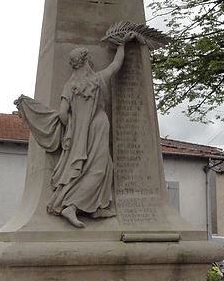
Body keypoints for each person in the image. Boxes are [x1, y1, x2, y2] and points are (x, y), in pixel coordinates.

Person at [17, 33, 138, 227]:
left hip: (82, 134)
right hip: (96, 128)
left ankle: (97, 207)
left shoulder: (70, 86)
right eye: (89, 60)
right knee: (99, 170)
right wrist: (121, 46)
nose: (91, 62)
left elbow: (63, 113)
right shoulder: (97, 79)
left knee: (103, 168)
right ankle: (71, 206)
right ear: (85, 61)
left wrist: (72, 127)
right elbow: (116, 65)